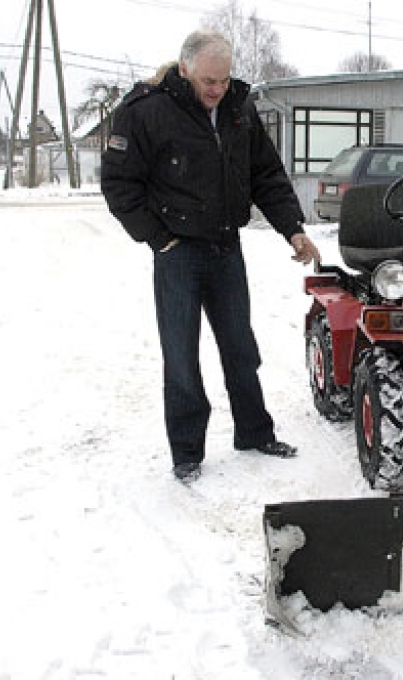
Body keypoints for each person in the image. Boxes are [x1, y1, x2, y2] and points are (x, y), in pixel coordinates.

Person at [101, 30, 320, 483]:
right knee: (180, 355)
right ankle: (186, 452)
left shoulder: (240, 108)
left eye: (223, 79)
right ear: (184, 71)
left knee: (241, 346)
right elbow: (120, 185)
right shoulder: (147, 112)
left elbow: (266, 174)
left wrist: (293, 230)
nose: (216, 89)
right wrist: (158, 238)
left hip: (226, 249)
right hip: (177, 252)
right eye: (207, 80)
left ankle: (254, 432)